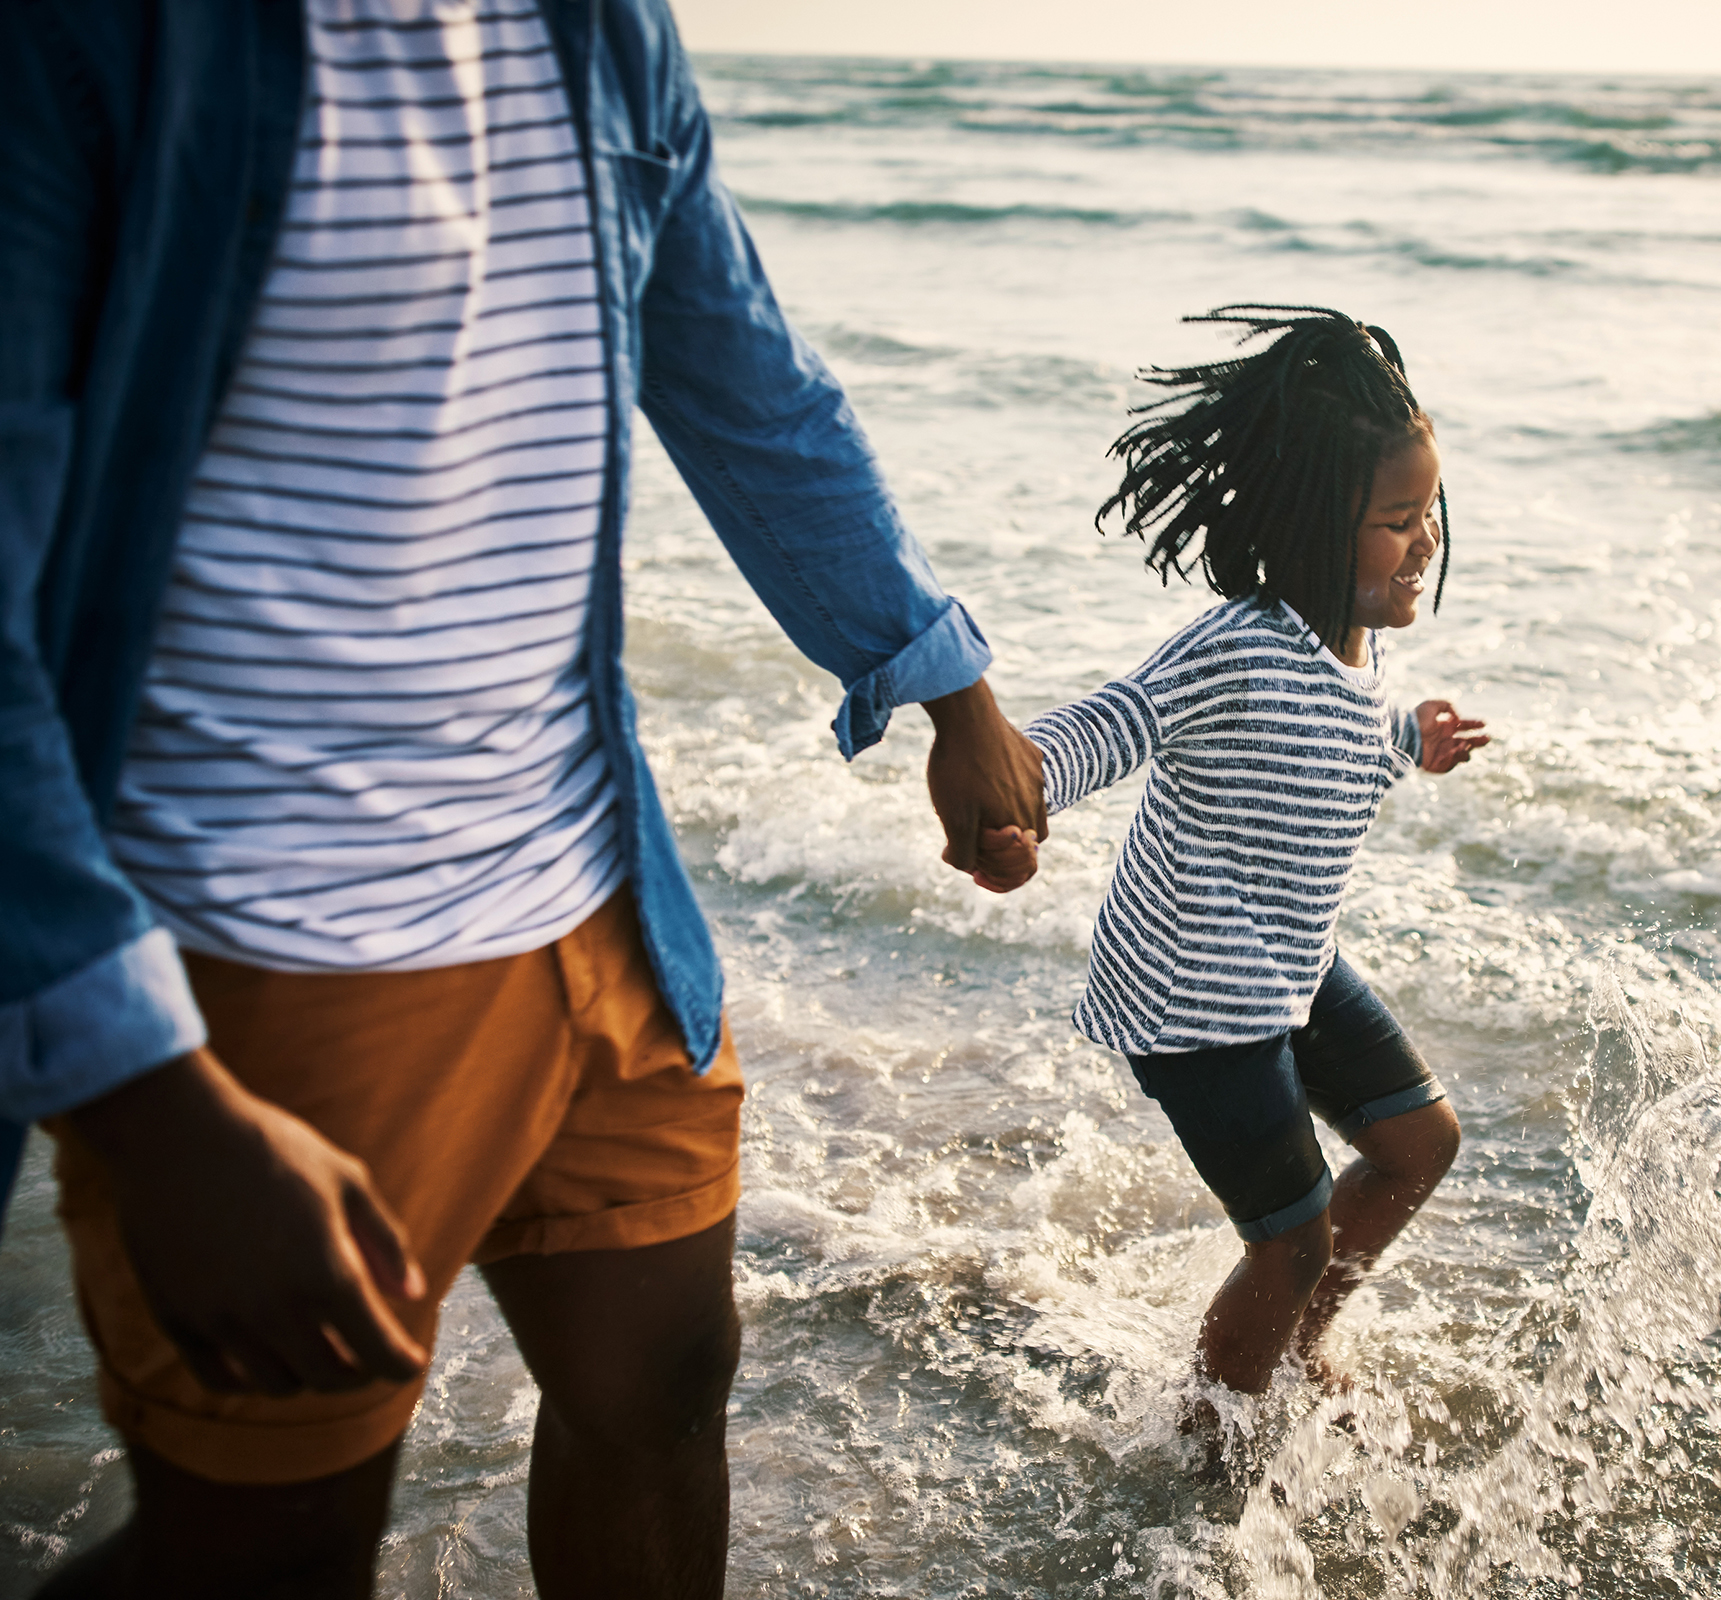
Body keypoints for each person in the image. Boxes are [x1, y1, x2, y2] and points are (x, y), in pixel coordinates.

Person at [0, 2, 1042, 1596]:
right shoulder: (100, 40)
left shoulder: (597, 31)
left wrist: (941, 682)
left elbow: (748, 378)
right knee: (264, 1549)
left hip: (599, 899)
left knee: (666, 1383)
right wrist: (153, 1097)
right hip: (274, 952)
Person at [980, 306, 1487, 1426]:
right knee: (1292, 1239)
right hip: (1195, 999)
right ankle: (1211, 1442)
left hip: (1287, 963)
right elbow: (1113, 723)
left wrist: (1413, 738)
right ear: (1318, 525)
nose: (1426, 541)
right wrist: (1018, 797)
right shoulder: (1237, 645)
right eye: (1397, 521)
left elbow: (1340, 726)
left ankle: (1296, 1347)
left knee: (1418, 1142)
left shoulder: (1351, 646)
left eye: (1429, 512)